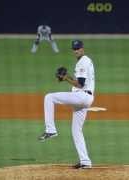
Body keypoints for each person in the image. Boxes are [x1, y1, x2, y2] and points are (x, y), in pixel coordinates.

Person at [38, 40, 95, 169]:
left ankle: (51, 130)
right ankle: (85, 161)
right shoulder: (86, 61)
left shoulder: (82, 62)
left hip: (81, 96)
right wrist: (68, 76)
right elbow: (80, 81)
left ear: (82, 48)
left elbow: (79, 84)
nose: (76, 51)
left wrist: (65, 78)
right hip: (84, 98)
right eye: (74, 49)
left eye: (78, 48)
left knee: (49, 97)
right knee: (76, 130)